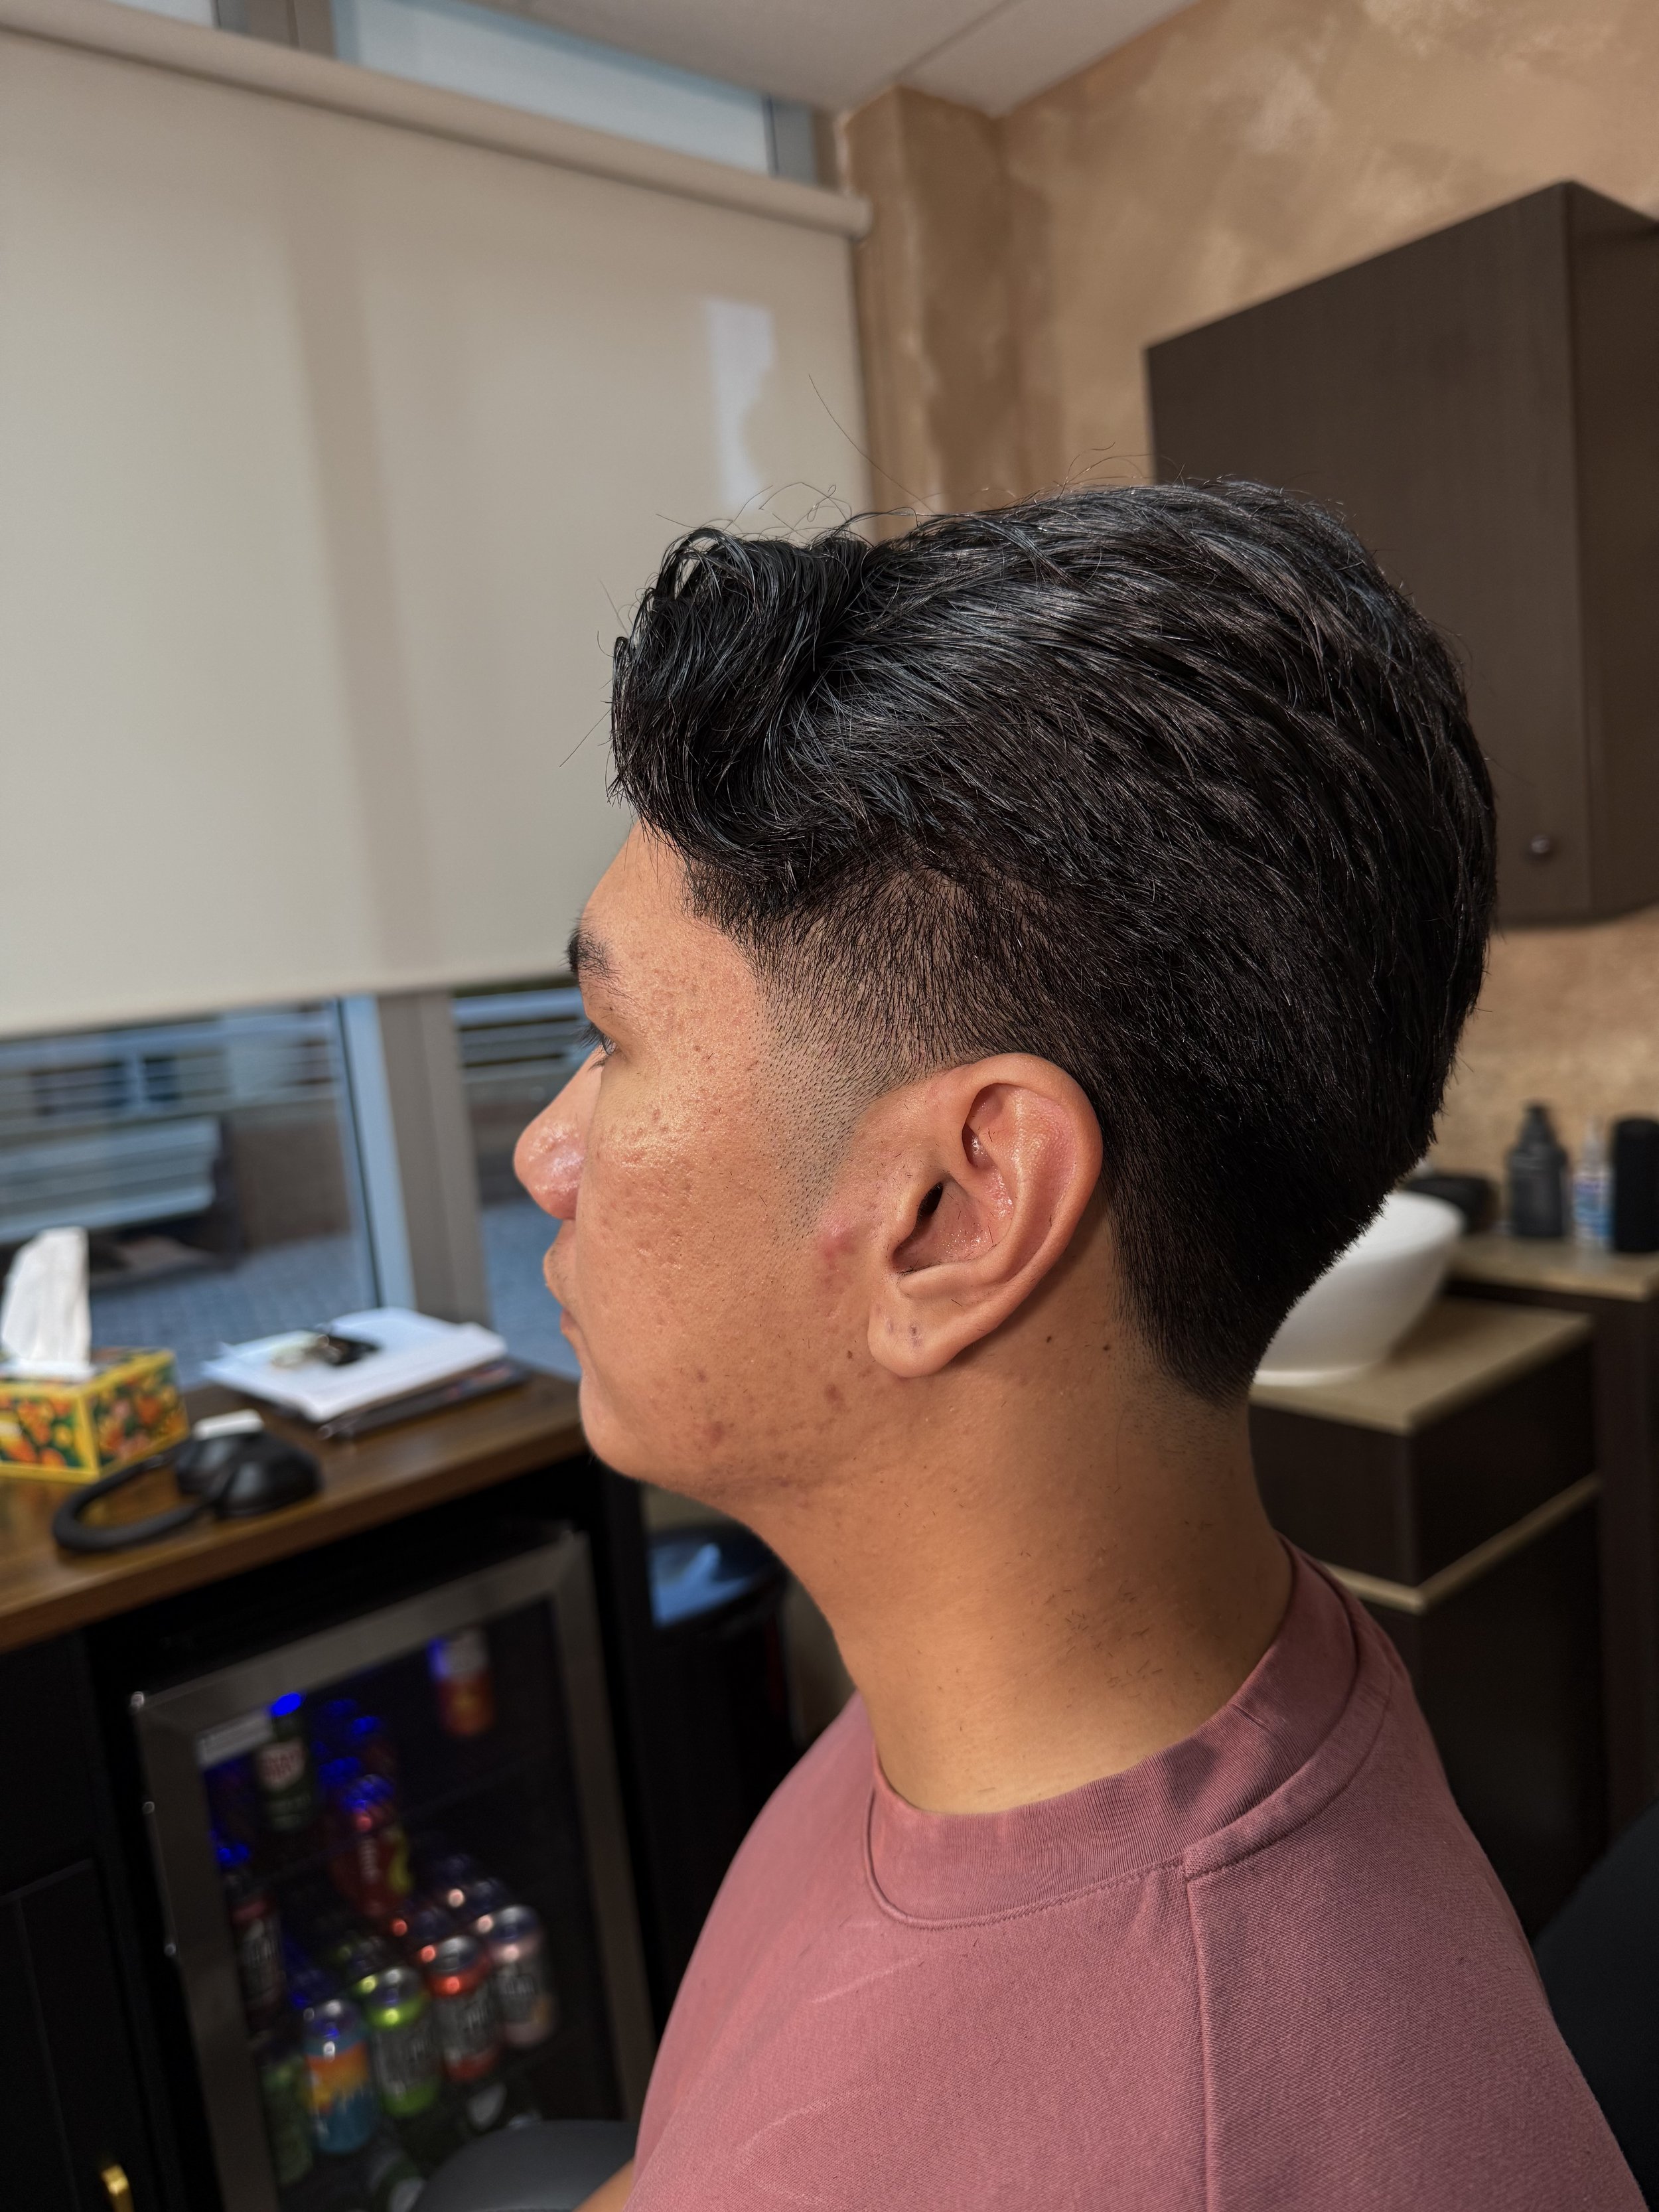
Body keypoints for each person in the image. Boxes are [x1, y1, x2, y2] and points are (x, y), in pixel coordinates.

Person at [515, 484, 1638, 2209]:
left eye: (612, 1041)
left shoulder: (1175, 2135)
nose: (548, 1151)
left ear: (957, 1207)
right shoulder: (1068, 1696)